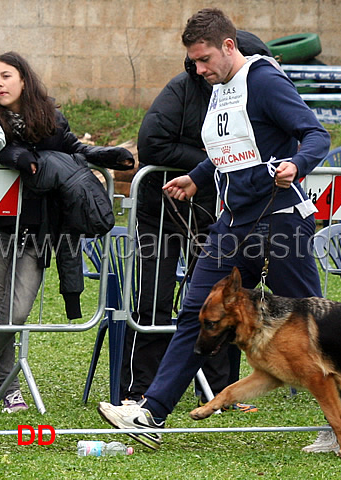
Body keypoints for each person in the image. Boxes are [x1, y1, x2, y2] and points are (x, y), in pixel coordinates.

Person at [97, 8, 341, 453]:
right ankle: (151, 414)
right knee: (196, 311)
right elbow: (231, 148)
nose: (198, 69)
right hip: (234, 222)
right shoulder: (219, 88)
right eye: (194, 61)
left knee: (312, 324)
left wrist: (296, 165)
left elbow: (316, 134)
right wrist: (198, 177)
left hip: (282, 219)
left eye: (204, 59)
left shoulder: (264, 80)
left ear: (228, 46)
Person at [121, 30, 272, 410]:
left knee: (219, 305)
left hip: (217, 214)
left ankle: (221, 392)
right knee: (154, 302)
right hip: (163, 211)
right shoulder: (182, 88)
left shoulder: (248, 93)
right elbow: (152, 143)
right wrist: (215, 158)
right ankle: (139, 389)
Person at [0, 52, 134, 412]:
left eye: (6, 75)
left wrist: (103, 154)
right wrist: (14, 155)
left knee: (16, 313)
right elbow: (4, 151)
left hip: (35, 234)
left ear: (23, 79)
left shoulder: (50, 118)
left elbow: (72, 148)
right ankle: (9, 388)